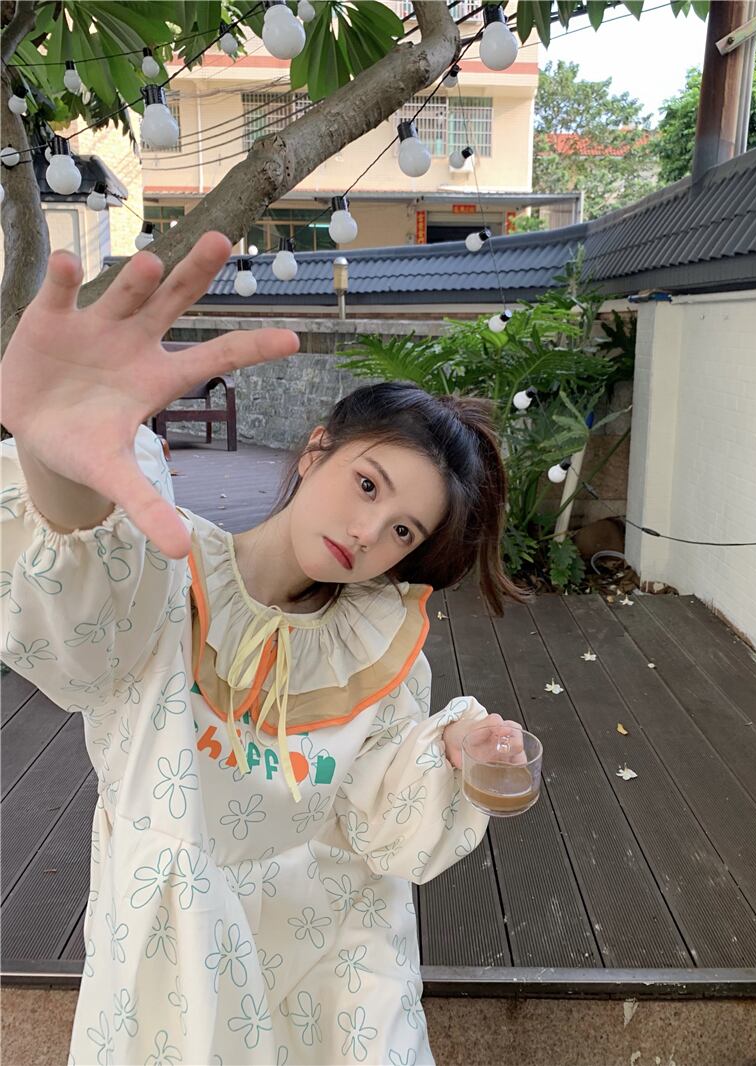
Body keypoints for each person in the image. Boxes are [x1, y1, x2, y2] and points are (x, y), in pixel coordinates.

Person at [0, 233, 529, 1065]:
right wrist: (54, 454)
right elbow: (81, 627)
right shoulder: (163, 570)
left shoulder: (378, 646)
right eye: (367, 484)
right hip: (180, 953)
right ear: (316, 448)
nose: (369, 531)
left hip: (336, 955)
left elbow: (379, 824)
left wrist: (453, 753)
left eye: (403, 531)